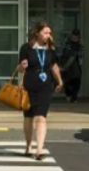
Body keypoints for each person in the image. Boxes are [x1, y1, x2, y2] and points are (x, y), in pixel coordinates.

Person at [18, 22, 63, 161]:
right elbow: (20, 68)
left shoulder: (51, 49)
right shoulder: (26, 48)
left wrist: (60, 81)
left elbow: (54, 66)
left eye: (49, 33)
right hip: (30, 85)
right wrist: (22, 65)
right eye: (45, 33)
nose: (48, 36)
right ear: (37, 33)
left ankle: (39, 149)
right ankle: (28, 146)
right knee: (28, 117)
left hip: (45, 86)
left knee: (42, 117)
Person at [58, 29, 84, 103]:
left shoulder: (80, 45)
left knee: (77, 80)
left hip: (76, 64)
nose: (74, 39)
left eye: (76, 38)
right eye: (73, 37)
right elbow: (61, 51)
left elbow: (80, 55)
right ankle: (69, 95)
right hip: (66, 62)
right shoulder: (66, 43)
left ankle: (73, 96)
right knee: (67, 80)